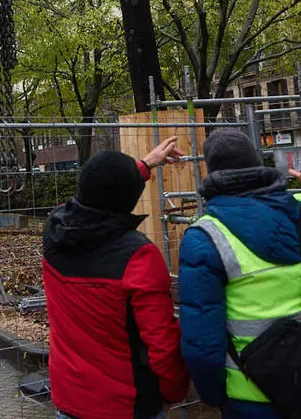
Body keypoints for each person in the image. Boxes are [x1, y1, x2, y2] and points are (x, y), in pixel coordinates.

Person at [179, 129, 301, 418]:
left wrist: (214, 396)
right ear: (258, 163)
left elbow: (202, 342)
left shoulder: (205, 237)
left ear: (211, 173)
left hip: (252, 396)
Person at [42, 136, 192, 419]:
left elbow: (96, 195)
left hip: (69, 397)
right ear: (129, 199)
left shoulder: (55, 232)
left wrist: (145, 166)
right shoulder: (139, 257)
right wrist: (173, 392)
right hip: (126, 405)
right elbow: (162, 344)